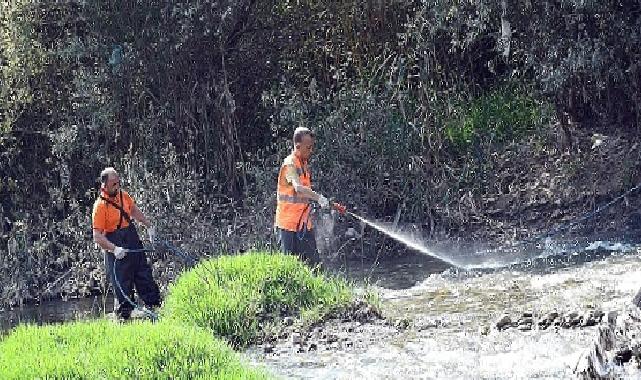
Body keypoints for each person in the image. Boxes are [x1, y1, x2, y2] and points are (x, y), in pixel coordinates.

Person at [92, 167, 161, 320]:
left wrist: (148, 225)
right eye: (113, 184)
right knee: (122, 281)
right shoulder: (100, 206)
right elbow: (97, 236)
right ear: (104, 185)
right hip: (114, 241)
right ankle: (125, 316)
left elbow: (134, 210)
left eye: (118, 183)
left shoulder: (124, 196)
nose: (117, 186)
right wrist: (114, 249)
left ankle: (154, 306)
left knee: (143, 272)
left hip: (131, 237)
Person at [274, 127, 330, 266]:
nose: (311, 151)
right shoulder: (290, 165)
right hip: (287, 226)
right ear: (297, 146)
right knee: (290, 268)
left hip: (303, 224)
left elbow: (304, 193)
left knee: (315, 267)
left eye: (312, 147)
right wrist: (319, 198)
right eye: (308, 147)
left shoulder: (303, 164)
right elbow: (298, 188)